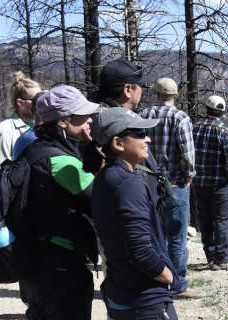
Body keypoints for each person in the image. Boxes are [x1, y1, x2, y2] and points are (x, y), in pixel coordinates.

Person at [19, 85, 100, 320]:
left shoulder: (34, 149)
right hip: (61, 265)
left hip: (35, 260)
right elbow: (105, 201)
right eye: (83, 115)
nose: (89, 120)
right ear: (63, 121)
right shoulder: (63, 163)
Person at [92, 107, 180, 319]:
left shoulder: (104, 178)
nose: (147, 139)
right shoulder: (129, 184)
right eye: (139, 134)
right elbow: (141, 253)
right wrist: (169, 277)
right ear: (118, 143)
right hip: (145, 301)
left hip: (120, 293)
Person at [139, 78, 204, 299]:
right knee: (176, 236)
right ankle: (178, 284)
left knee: (154, 234)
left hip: (146, 184)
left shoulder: (142, 116)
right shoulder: (180, 117)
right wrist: (188, 177)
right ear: (175, 96)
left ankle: (156, 279)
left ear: (155, 94)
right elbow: (187, 154)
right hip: (174, 183)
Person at [192, 95, 228, 273]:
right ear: (222, 112)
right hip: (219, 184)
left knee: (204, 219)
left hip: (198, 183)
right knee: (221, 220)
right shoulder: (224, 130)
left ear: (206, 109)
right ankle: (222, 258)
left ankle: (210, 255)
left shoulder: (194, 128)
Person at [0, 72, 40, 164]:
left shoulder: (44, 124)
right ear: (20, 103)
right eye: (36, 100)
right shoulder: (4, 131)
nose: (41, 103)